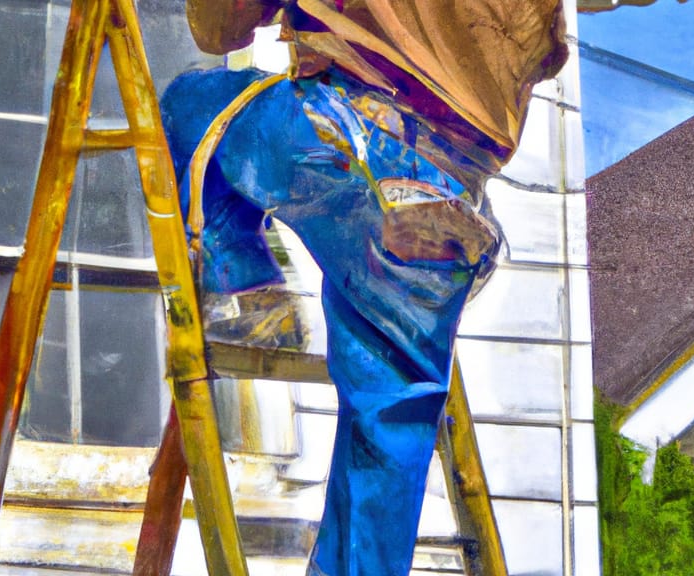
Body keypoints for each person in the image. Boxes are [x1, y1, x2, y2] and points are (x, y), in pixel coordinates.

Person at [161, 1, 567, 573]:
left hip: (341, 141)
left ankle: (244, 289)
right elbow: (540, 52)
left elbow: (219, 25)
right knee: (389, 417)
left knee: (191, 103)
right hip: (449, 190)